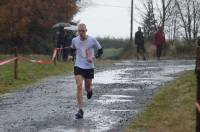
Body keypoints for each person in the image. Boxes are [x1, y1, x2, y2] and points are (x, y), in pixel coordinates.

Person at [69, 23, 103, 119]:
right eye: (79, 31)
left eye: (82, 31)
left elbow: (100, 50)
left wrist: (94, 57)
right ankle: (80, 110)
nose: (81, 33)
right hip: (78, 66)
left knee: (87, 88)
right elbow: (72, 49)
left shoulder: (92, 40)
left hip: (89, 67)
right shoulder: (74, 40)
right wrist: (71, 56)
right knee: (79, 86)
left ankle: (89, 90)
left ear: (86, 31)